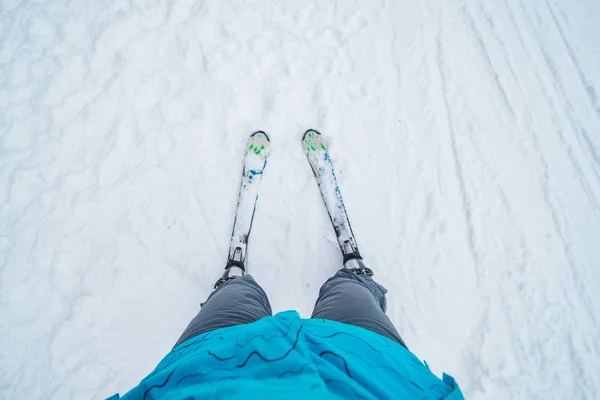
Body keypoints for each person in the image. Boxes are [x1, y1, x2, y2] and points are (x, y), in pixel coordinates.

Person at [111, 257, 463, 399]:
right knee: (349, 291)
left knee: (239, 293)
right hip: (371, 364)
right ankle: (355, 277)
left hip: (210, 361)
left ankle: (234, 284)